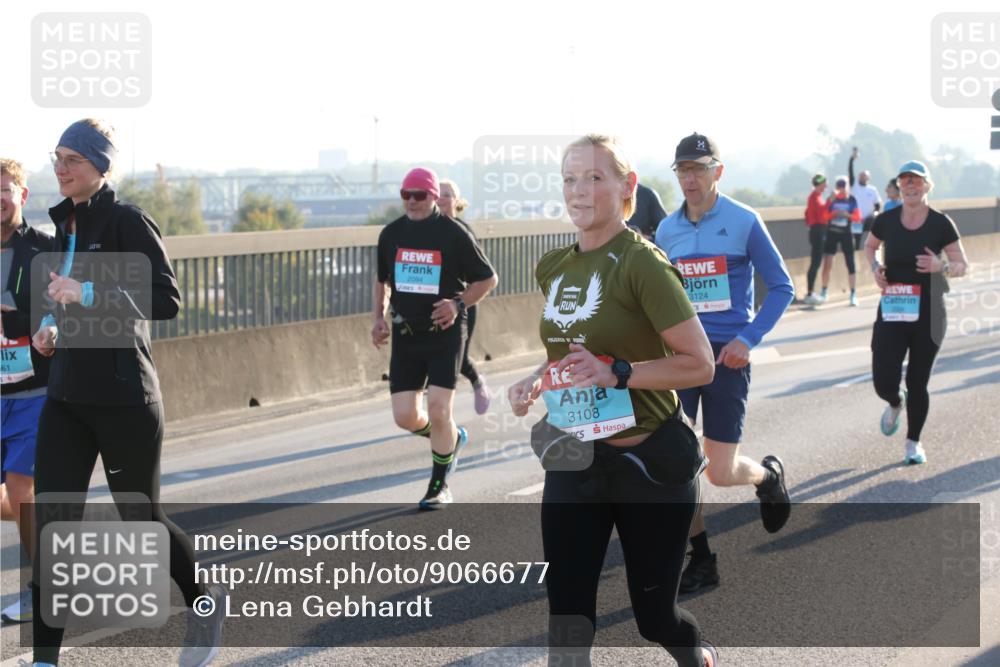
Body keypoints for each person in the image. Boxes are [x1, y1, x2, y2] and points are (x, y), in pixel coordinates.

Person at [509, 134, 719, 667]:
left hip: (645, 463)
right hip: (575, 459)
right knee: (568, 621)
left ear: (627, 186)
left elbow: (699, 363)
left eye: (594, 177)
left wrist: (616, 373)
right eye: (570, 178)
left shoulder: (642, 262)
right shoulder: (553, 267)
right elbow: (572, 349)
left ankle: (698, 658)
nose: (579, 191)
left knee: (655, 620)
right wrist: (538, 378)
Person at [29, 119, 226, 667]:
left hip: (124, 401)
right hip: (67, 398)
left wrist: (86, 290)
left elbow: (165, 299)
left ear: (101, 166)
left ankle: (204, 603)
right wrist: (51, 329)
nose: (60, 168)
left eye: (72, 159)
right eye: (57, 157)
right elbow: (71, 304)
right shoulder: (64, 225)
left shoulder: (126, 220)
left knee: (142, 521)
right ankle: (46, 659)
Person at [655, 133, 793, 594]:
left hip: (727, 358)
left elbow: (782, 288)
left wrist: (747, 338)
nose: (690, 179)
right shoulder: (666, 231)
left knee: (719, 470)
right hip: (680, 360)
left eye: (698, 169)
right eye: (682, 170)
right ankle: (701, 558)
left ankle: (767, 476)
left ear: (718, 171)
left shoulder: (744, 221)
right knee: (678, 463)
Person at [372, 167, 497, 509]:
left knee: (440, 410)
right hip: (406, 335)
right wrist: (378, 319)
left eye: (420, 195)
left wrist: (457, 304)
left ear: (433, 197)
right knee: (405, 416)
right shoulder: (391, 234)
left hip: (444, 334)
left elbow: (487, 280)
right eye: (406, 195)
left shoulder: (453, 234)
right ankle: (450, 440)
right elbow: (382, 281)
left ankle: (439, 486)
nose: (412, 202)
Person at [864, 160, 967, 465]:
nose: (910, 185)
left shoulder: (940, 223)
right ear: (899, 186)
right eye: (905, 180)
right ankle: (895, 402)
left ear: (927, 186)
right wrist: (875, 268)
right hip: (894, 307)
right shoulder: (886, 220)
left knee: (918, 381)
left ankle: (913, 443)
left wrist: (941, 267)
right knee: (883, 379)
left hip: (930, 311)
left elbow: (962, 265)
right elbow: (870, 248)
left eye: (916, 180)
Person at [1, 158, 54, 626]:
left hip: (33, 391)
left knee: (20, 491)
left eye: (5, 190)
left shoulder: (42, 250)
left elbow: (65, 313)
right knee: (19, 501)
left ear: (23, 195)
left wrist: (17, 316)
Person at [437, 178, 492, 414]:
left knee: (459, 357)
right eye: (438, 193)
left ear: (456, 202)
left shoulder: (462, 232)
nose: (442, 198)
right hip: (435, 302)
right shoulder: (424, 231)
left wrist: (461, 300)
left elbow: (483, 275)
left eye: (448, 194)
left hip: (463, 302)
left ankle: (478, 382)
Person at [818, 176, 862, 306]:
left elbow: (857, 217)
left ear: (847, 187)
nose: (841, 189)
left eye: (843, 186)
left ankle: (853, 294)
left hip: (846, 234)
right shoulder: (831, 200)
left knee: (850, 263)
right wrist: (834, 214)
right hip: (832, 232)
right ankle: (824, 291)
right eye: (839, 186)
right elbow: (824, 216)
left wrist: (846, 215)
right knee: (828, 263)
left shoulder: (852, 200)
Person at [848, 147, 882, 250]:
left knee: (870, 239)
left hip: (869, 219)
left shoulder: (872, 190)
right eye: (861, 176)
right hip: (857, 219)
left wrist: (874, 214)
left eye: (865, 176)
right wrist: (852, 159)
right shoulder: (854, 186)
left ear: (868, 177)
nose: (862, 177)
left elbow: (877, 205)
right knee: (857, 240)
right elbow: (850, 171)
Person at [803, 173, 828, 305]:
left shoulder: (816, 196)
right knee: (815, 262)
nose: (826, 186)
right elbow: (821, 212)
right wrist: (831, 200)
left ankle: (811, 292)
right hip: (817, 230)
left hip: (817, 230)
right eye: (824, 183)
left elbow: (807, 213)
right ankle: (810, 293)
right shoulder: (814, 197)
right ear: (820, 184)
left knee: (816, 262)